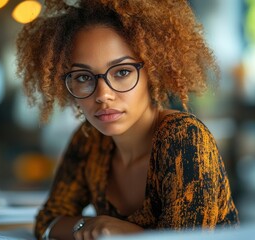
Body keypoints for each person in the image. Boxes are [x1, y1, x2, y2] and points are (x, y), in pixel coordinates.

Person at [16, 0, 239, 239]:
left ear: (153, 73)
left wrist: (124, 232)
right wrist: (91, 226)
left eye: (122, 72)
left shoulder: (184, 138)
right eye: (82, 77)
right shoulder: (89, 140)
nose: (103, 95)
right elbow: (46, 223)